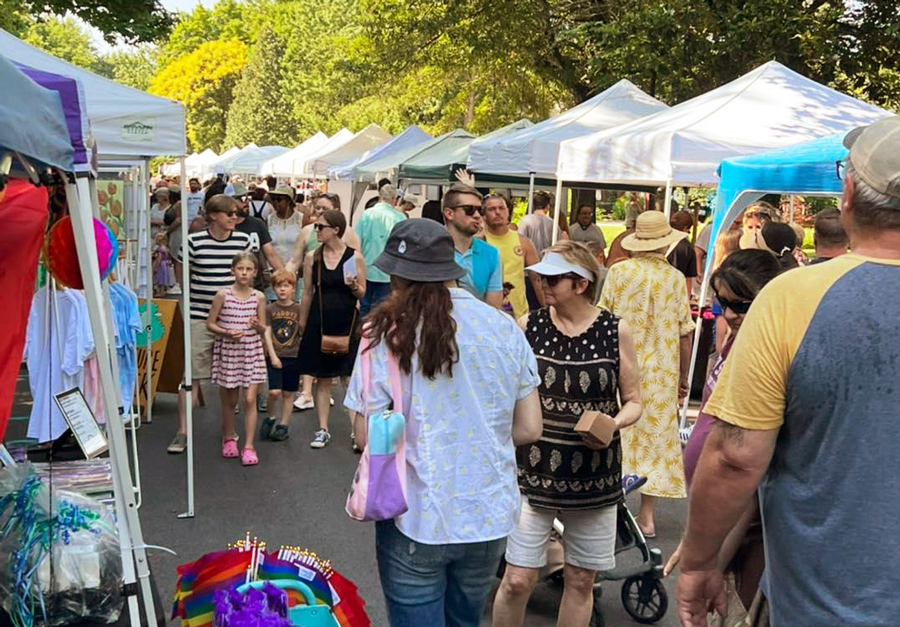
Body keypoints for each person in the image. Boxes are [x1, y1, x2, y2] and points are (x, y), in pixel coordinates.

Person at [676, 116, 900, 627]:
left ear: (847, 196)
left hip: (824, 604)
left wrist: (698, 560)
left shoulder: (795, 298)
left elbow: (735, 457)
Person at [343, 218, 543, 627]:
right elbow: (529, 429)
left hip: (415, 509)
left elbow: (366, 435)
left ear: (397, 277)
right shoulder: (504, 327)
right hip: (487, 512)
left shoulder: (382, 334)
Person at [493, 241, 643, 627]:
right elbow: (506, 390)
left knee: (580, 581)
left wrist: (615, 423)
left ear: (580, 284)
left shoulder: (614, 330)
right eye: (542, 276)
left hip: (593, 476)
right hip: (532, 472)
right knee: (516, 579)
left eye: (553, 278)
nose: (543, 283)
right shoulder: (530, 325)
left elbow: (634, 401)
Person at [665, 250, 781, 618]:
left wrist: (706, 555)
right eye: (723, 302)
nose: (728, 314)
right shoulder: (736, 340)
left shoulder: (770, 356)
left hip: (740, 525)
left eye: (740, 304)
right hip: (715, 509)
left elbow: (743, 474)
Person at [599, 211, 694, 538]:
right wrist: (683, 378)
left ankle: (611, 510)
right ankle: (648, 516)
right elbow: (684, 334)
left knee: (617, 433)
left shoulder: (618, 273)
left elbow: (603, 321)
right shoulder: (676, 279)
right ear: (666, 244)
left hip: (620, 364)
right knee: (656, 439)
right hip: (663, 370)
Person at [169, 194, 251, 454]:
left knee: (231, 378)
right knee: (191, 376)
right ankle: (182, 432)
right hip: (200, 316)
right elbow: (182, 272)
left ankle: (229, 431)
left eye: (237, 213)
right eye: (230, 213)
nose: (235, 217)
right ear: (214, 215)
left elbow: (247, 272)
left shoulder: (243, 241)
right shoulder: (193, 242)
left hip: (233, 317)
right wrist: (190, 299)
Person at [296, 210, 366, 449]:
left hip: (346, 321)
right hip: (320, 319)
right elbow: (307, 293)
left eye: (320, 226)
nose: (316, 230)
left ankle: (357, 433)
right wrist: (302, 322)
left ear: (336, 229)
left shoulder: (353, 258)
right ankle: (322, 429)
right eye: (316, 226)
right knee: (323, 379)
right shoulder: (312, 257)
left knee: (348, 377)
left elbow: (362, 293)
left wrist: (355, 285)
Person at [205, 252, 268, 466]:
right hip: (230, 351)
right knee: (230, 399)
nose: (244, 272)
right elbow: (210, 323)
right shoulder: (223, 294)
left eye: (249, 269)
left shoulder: (258, 296)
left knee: (250, 399)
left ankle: (249, 445)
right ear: (233, 270)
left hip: (251, 351)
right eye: (240, 268)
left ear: (255, 272)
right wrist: (226, 332)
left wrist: (257, 326)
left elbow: (263, 328)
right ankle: (229, 436)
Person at [482, 192, 544, 317]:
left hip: (519, 316)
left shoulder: (523, 242)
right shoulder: (479, 241)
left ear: (508, 212)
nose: (497, 212)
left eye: (501, 208)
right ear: (484, 215)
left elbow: (537, 280)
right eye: (492, 209)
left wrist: (546, 308)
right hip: (487, 313)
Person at [441, 183, 503, 308]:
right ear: (449, 213)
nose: (477, 215)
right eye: (469, 209)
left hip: (476, 325)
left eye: (480, 210)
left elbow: (493, 309)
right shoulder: (430, 249)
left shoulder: (491, 254)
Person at [260, 270, 303, 442]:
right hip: (275, 356)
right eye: (279, 286)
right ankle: (270, 417)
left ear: (293, 289)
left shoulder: (299, 309)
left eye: (287, 286)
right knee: (274, 392)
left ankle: (283, 425)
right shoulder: (270, 309)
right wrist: (272, 355)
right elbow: (267, 332)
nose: (283, 290)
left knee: (288, 393)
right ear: (273, 289)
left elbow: (302, 331)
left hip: (293, 356)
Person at [354, 184, 407, 317]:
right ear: (394, 199)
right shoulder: (400, 218)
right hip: (389, 271)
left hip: (366, 268)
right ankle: (378, 335)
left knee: (365, 306)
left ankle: (362, 334)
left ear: (380, 197)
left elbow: (356, 242)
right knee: (383, 308)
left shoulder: (367, 215)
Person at [231, 182, 284, 292]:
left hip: (255, 288)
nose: (246, 202)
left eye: (248, 197)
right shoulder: (225, 227)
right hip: (230, 289)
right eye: (241, 198)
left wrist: (284, 278)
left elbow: (271, 254)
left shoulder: (257, 224)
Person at [266, 184, 304, 300]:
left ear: (288, 201)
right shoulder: (269, 219)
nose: (275, 203)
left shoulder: (301, 219)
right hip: (274, 273)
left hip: (296, 274)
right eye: (273, 200)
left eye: (279, 199)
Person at [518, 190, 568, 256]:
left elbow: (520, 242)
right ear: (548, 206)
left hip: (529, 262)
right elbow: (558, 247)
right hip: (547, 261)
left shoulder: (525, 221)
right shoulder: (554, 225)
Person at [668, 210, 699, 300]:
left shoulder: (662, 242)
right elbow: (688, 279)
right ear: (685, 228)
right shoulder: (688, 248)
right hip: (678, 291)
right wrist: (687, 300)